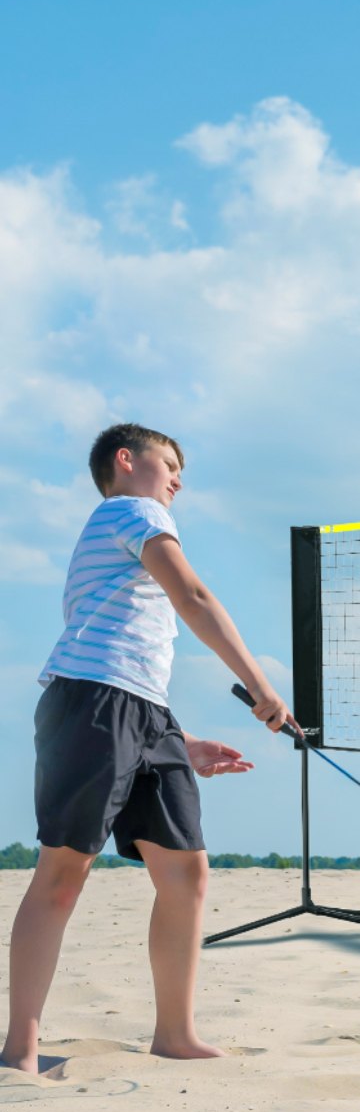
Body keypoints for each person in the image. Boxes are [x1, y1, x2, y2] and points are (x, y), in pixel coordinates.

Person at [2, 424, 293, 1074]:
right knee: (62, 875)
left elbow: (133, 656)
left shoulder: (125, 531)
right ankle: (20, 1046)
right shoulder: (132, 510)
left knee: (187, 873)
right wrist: (262, 688)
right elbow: (193, 596)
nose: (178, 480)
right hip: (90, 703)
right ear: (126, 461)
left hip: (143, 711)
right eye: (170, 464)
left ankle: (176, 1034)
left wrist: (175, 738)